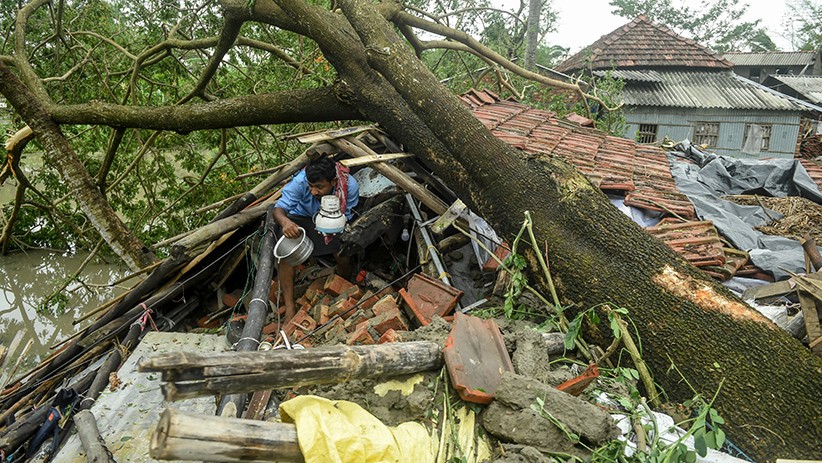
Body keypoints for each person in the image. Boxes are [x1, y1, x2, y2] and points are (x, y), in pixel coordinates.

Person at [272, 156, 359, 322]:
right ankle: (290, 308)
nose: (313, 192)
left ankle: (341, 289)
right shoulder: (300, 181)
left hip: (333, 220)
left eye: (319, 187)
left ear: (333, 182)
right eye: (311, 186)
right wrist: (285, 223)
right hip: (301, 217)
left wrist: (330, 230)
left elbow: (346, 216)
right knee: (286, 256)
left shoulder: (349, 186)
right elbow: (279, 209)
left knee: (343, 252)